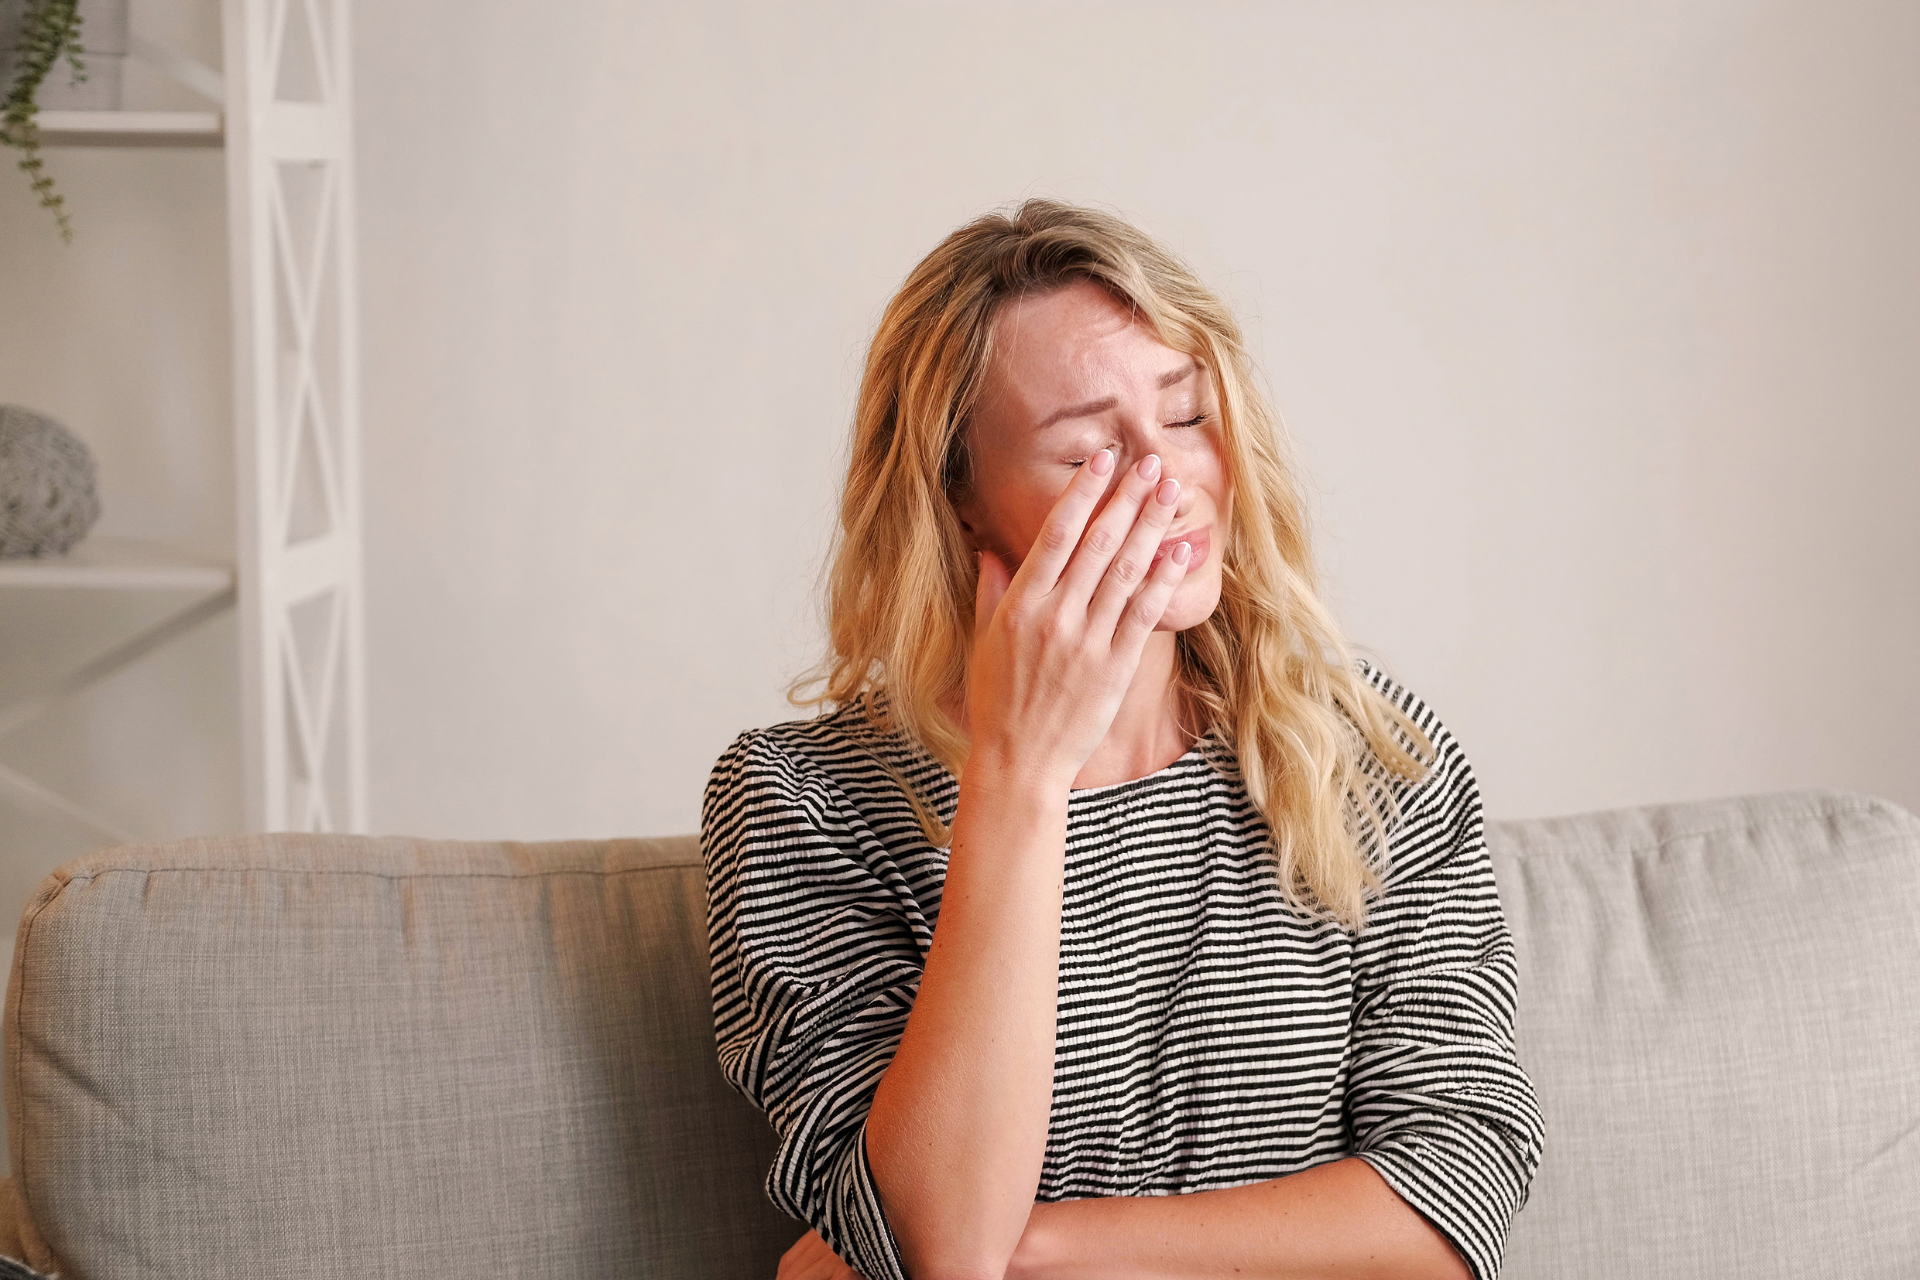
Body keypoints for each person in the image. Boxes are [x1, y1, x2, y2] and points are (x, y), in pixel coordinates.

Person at [702, 199, 1545, 1280]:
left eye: (1186, 415)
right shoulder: (799, 803)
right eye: (1089, 451)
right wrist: (1020, 774)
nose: (1167, 477)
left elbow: (1455, 1192)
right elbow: (939, 1240)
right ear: (960, 500)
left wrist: (1043, 1247)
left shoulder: (1370, 755)